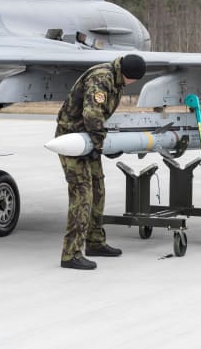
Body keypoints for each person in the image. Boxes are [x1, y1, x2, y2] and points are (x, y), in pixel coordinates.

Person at [56, 54, 146, 270]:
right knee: (82, 194)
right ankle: (71, 254)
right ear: (129, 76)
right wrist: (101, 144)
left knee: (98, 189)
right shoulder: (102, 77)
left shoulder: (114, 79)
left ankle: (95, 242)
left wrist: (102, 142)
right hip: (74, 138)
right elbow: (92, 113)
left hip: (89, 138)